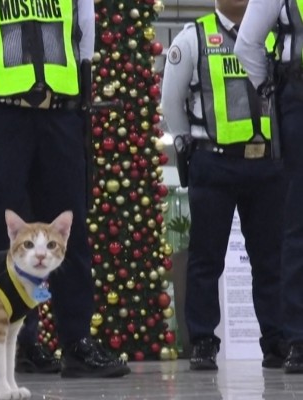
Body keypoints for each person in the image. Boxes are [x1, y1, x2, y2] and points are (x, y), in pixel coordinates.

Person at [0, 0, 130, 379]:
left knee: (70, 229)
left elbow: (83, 31)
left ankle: (76, 340)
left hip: (59, 112)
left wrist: (77, 96)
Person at [162, 0, 287, 371]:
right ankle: (202, 340)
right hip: (213, 162)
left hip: (268, 163)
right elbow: (171, 102)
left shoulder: (274, 36)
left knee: (271, 260)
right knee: (206, 258)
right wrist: (188, 144)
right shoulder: (192, 37)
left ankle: (277, 340)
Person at [235, 0, 303, 373]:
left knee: (297, 224)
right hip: (298, 98)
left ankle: (298, 341)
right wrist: (274, 90)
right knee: (297, 223)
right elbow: (248, 44)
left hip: (297, 95)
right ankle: (297, 338)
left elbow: (246, 44)